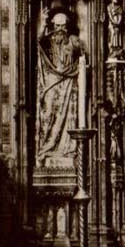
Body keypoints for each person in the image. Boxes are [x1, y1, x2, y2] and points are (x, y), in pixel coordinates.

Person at [36, 12, 85, 167]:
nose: (60, 30)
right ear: (52, 26)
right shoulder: (48, 40)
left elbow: (82, 58)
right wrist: (43, 24)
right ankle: (46, 148)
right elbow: (37, 42)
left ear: (67, 26)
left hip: (69, 82)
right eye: (57, 26)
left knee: (69, 115)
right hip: (52, 81)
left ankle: (67, 149)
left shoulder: (73, 41)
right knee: (48, 113)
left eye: (63, 26)